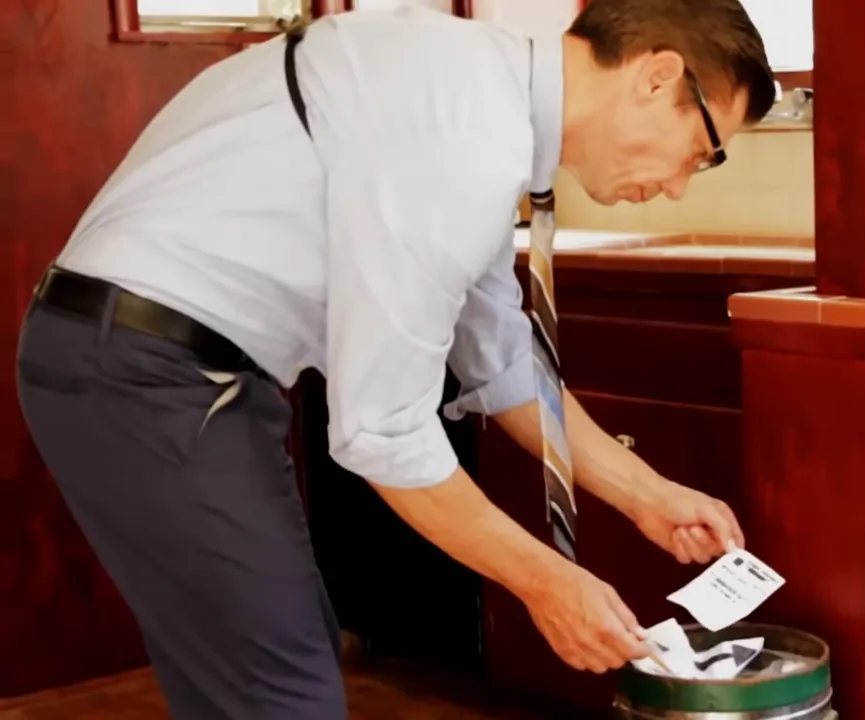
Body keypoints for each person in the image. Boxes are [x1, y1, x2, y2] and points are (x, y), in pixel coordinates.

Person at [14, 0, 776, 717]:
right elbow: (383, 433)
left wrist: (645, 493)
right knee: (284, 690)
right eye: (702, 154)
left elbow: (501, 357)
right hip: (143, 368)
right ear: (657, 75)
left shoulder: (475, 94)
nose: (678, 187)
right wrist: (544, 582)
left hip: (161, 367)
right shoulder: (465, 132)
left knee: (269, 669)